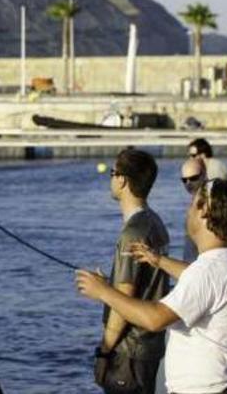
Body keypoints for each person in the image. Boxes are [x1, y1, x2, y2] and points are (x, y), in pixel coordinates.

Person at [76, 179, 227, 394]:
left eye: (192, 203)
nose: (187, 211)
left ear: (204, 210)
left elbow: (155, 319)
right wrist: (158, 260)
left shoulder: (207, 271)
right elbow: (200, 282)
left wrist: (104, 292)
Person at [96, 149, 170, 394]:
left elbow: (124, 300)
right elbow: (143, 282)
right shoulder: (155, 222)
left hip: (130, 351)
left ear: (122, 180)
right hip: (151, 347)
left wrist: (104, 351)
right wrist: (108, 285)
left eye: (112, 173)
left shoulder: (132, 233)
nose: (111, 178)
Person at [180, 157, 207, 262]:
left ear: (204, 174)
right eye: (184, 180)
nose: (189, 183)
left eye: (193, 178)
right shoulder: (193, 201)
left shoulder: (211, 202)